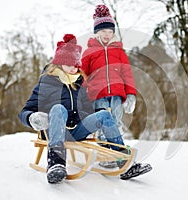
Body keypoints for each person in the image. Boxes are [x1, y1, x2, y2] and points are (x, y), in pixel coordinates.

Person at [18, 34, 152, 184]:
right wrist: (32, 118)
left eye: (76, 65)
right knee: (58, 108)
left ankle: (124, 162)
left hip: (77, 131)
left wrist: (88, 116)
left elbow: (87, 109)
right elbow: (24, 112)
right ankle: (56, 163)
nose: (74, 69)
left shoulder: (79, 83)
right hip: (55, 132)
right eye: (70, 64)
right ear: (60, 63)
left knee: (103, 115)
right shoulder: (47, 83)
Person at [81, 5, 137, 136]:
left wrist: (131, 94)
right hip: (98, 92)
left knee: (116, 118)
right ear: (97, 32)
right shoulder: (89, 52)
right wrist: (82, 92)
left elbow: (127, 74)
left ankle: (116, 142)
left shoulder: (119, 51)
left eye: (110, 32)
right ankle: (102, 138)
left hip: (117, 92)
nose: (107, 34)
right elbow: (83, 74)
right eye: (104, 31)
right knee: (102, 117)